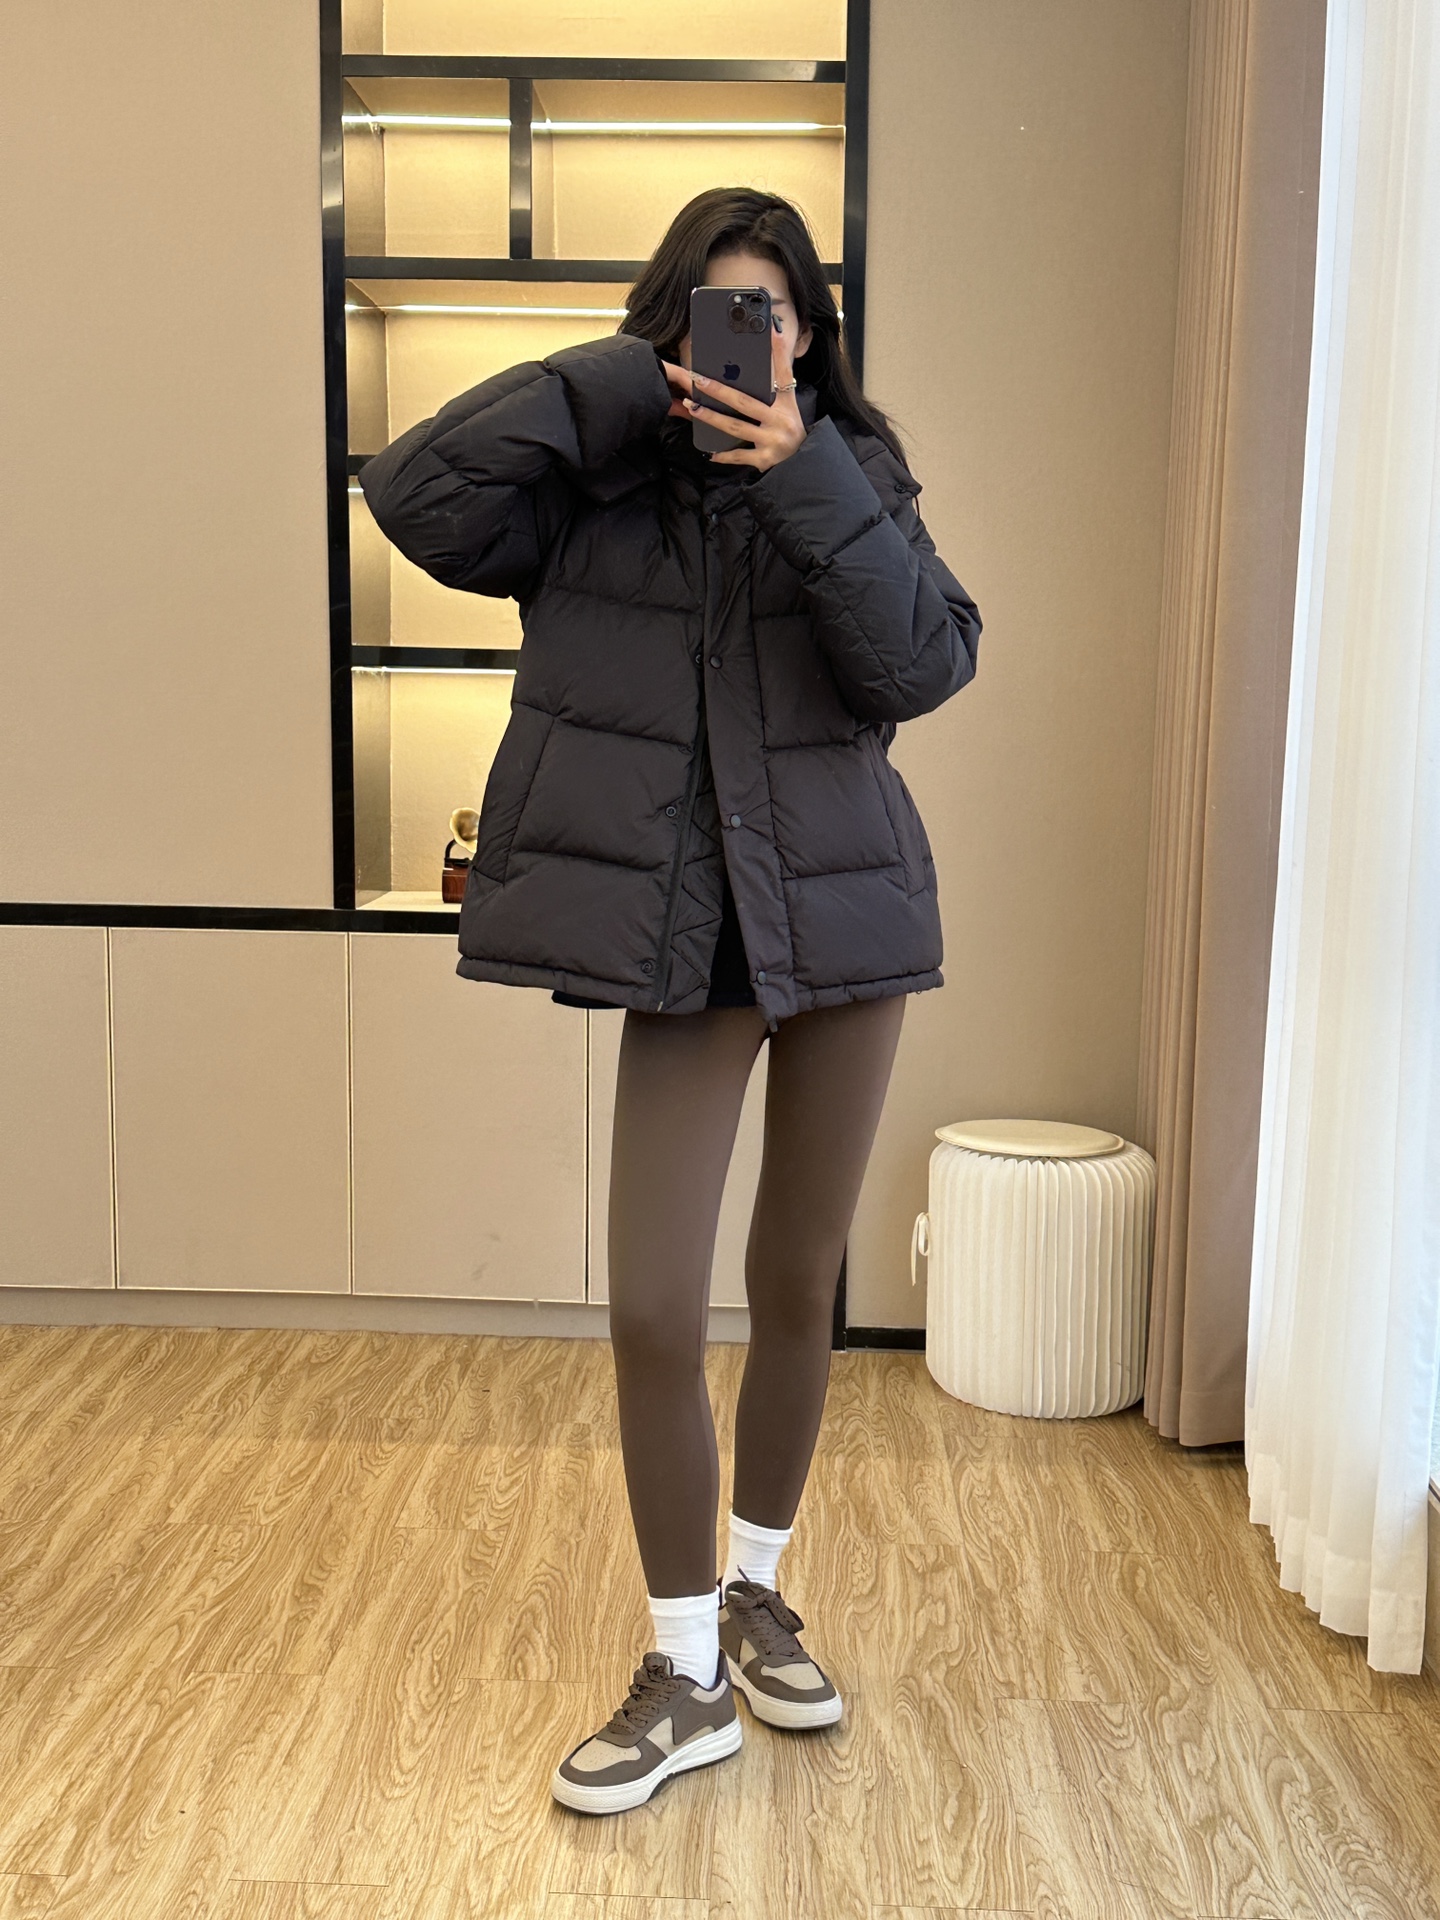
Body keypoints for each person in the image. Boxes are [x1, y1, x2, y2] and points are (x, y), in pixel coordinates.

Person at [360, 186, 981, 1815]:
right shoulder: (595, 491)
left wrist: (805, 470)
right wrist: (617, 390)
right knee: (651, 1304)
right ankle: (684, 1668)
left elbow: (922, 663)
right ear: (663, 324)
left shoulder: (851, 471)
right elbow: (414, 494)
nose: (740, 344)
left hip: (845, 923)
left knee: (796, 1275)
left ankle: (757, 1594)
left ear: (810, 338)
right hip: (686, 942)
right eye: (712, 315)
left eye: (769, 316)